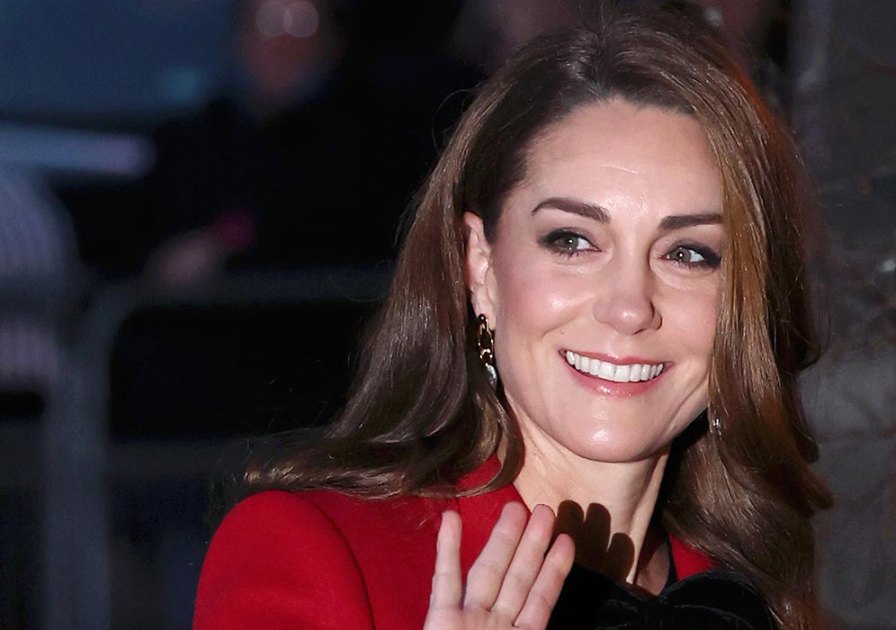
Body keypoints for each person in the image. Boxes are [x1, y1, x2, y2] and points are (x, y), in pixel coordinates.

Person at [194, 6, 831, 629]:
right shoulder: (317, 552)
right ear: (481, 265)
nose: (629, 307)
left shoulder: (762, 598)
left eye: (687, 253)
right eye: (573, 242)